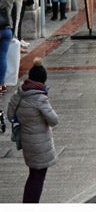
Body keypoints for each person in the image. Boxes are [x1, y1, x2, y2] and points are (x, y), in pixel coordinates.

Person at [7, 59, 58, 203]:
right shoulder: (40, 99)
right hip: (40, 144)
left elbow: (10, 115)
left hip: (27, 142)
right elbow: (54, 120)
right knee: (38, 177)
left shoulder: (19, 94)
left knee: (33, 174)